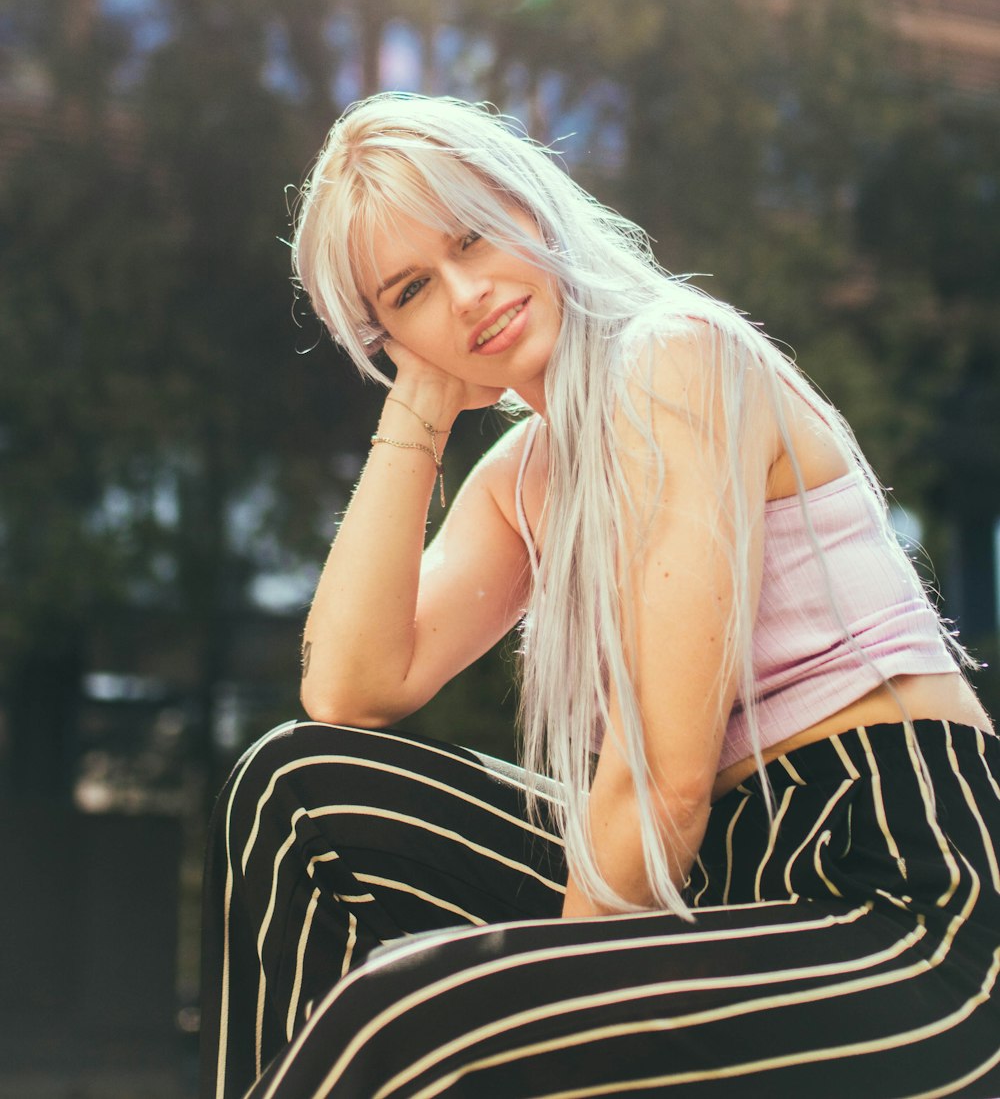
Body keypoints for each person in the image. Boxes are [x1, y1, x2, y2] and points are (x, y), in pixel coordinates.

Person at [199, 92, 1000, 1099]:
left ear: (531, 208)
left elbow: (661, 783)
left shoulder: (674, 359)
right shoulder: (521, 479)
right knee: (297, 790)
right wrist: (421, 399)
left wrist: (547, 1023)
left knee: (405, 1022)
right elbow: (351, 691)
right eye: (410, 292)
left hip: (904, 896)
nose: (466, 292)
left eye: (473, 237)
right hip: (726, 879)